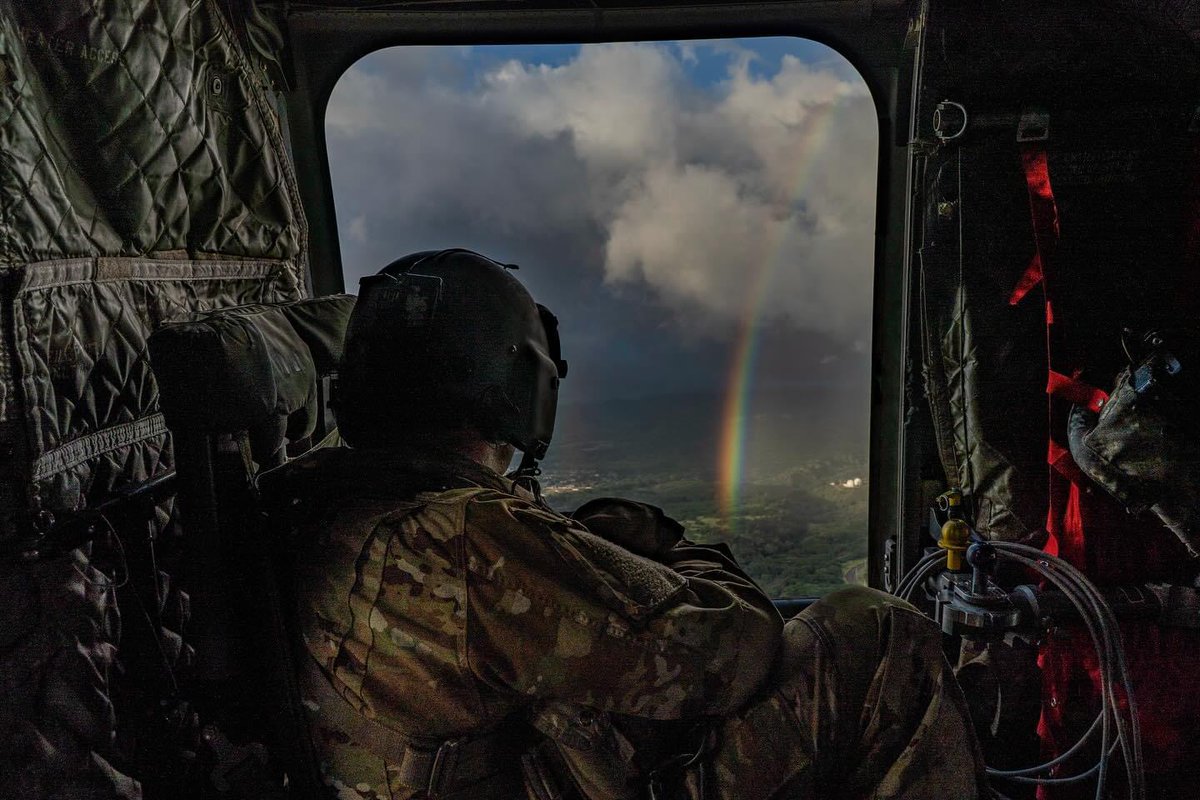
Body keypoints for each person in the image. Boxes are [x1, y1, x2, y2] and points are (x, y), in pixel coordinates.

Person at [261, 249, 988, 800]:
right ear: (519, 385)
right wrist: (671, 548)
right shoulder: (457, 535)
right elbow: (727, 656)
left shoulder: (327, 503)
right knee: (879, 633)